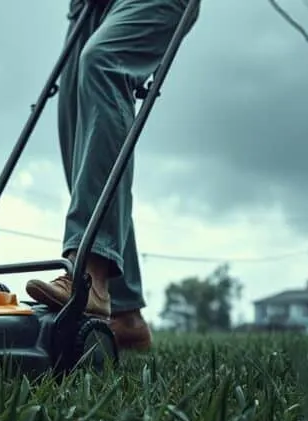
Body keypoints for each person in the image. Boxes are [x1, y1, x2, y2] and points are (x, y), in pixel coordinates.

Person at [25, 0, 199, 352]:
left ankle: (89, 275)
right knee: (84, 147)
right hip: (90, 7)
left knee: (103, 62)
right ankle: (126, 316)